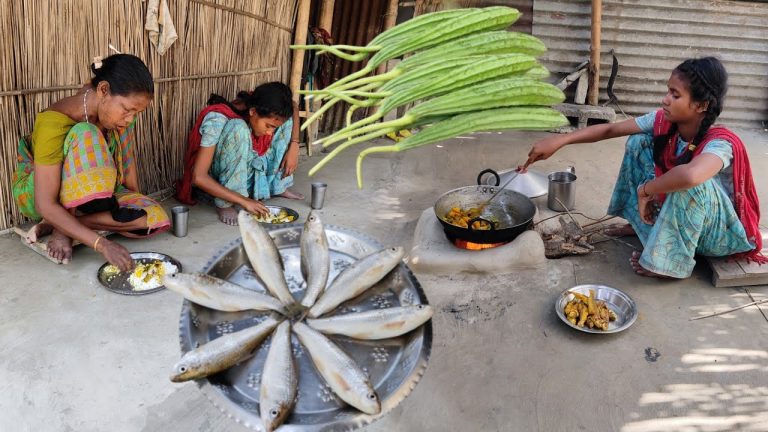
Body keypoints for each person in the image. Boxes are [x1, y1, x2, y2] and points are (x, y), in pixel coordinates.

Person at [521, 56, 766, 278]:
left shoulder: (720, 143)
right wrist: (560, 140)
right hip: (684, 219)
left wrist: (645, 190)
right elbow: (609, 129)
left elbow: (691, 176)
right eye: (667, 91)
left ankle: (669, 265)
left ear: (701, 105)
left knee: (688, 182)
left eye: (675, 95)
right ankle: (640, 223)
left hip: (715, 234)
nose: (665, 99)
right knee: (639, 142)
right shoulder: (664, 121)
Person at [12, 54, 170, 271]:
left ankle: (61, 225)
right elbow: (44, 203)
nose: (131, 119)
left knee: (153, 216)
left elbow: (128, 160)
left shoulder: (113, 115)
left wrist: (135, 200)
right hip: (39, 192)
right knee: (87, 133)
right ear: (104, 90)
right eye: (127, 110)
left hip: (92, 196)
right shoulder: (53, 123)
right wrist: (101, 244)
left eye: (137, 113)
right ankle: (60, 224)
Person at [176, 82, 303, 226]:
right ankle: (225, 203)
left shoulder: (262, 108)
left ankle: (276, 185)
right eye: (268, 126)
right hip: (217, 182)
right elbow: (198, 177)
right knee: (239, 128)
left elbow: (293, 106)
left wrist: (294, 144)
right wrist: (244, 201)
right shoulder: (217, 120)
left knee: (284, 120)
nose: (270, 133)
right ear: (253, 112)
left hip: (248, 172)